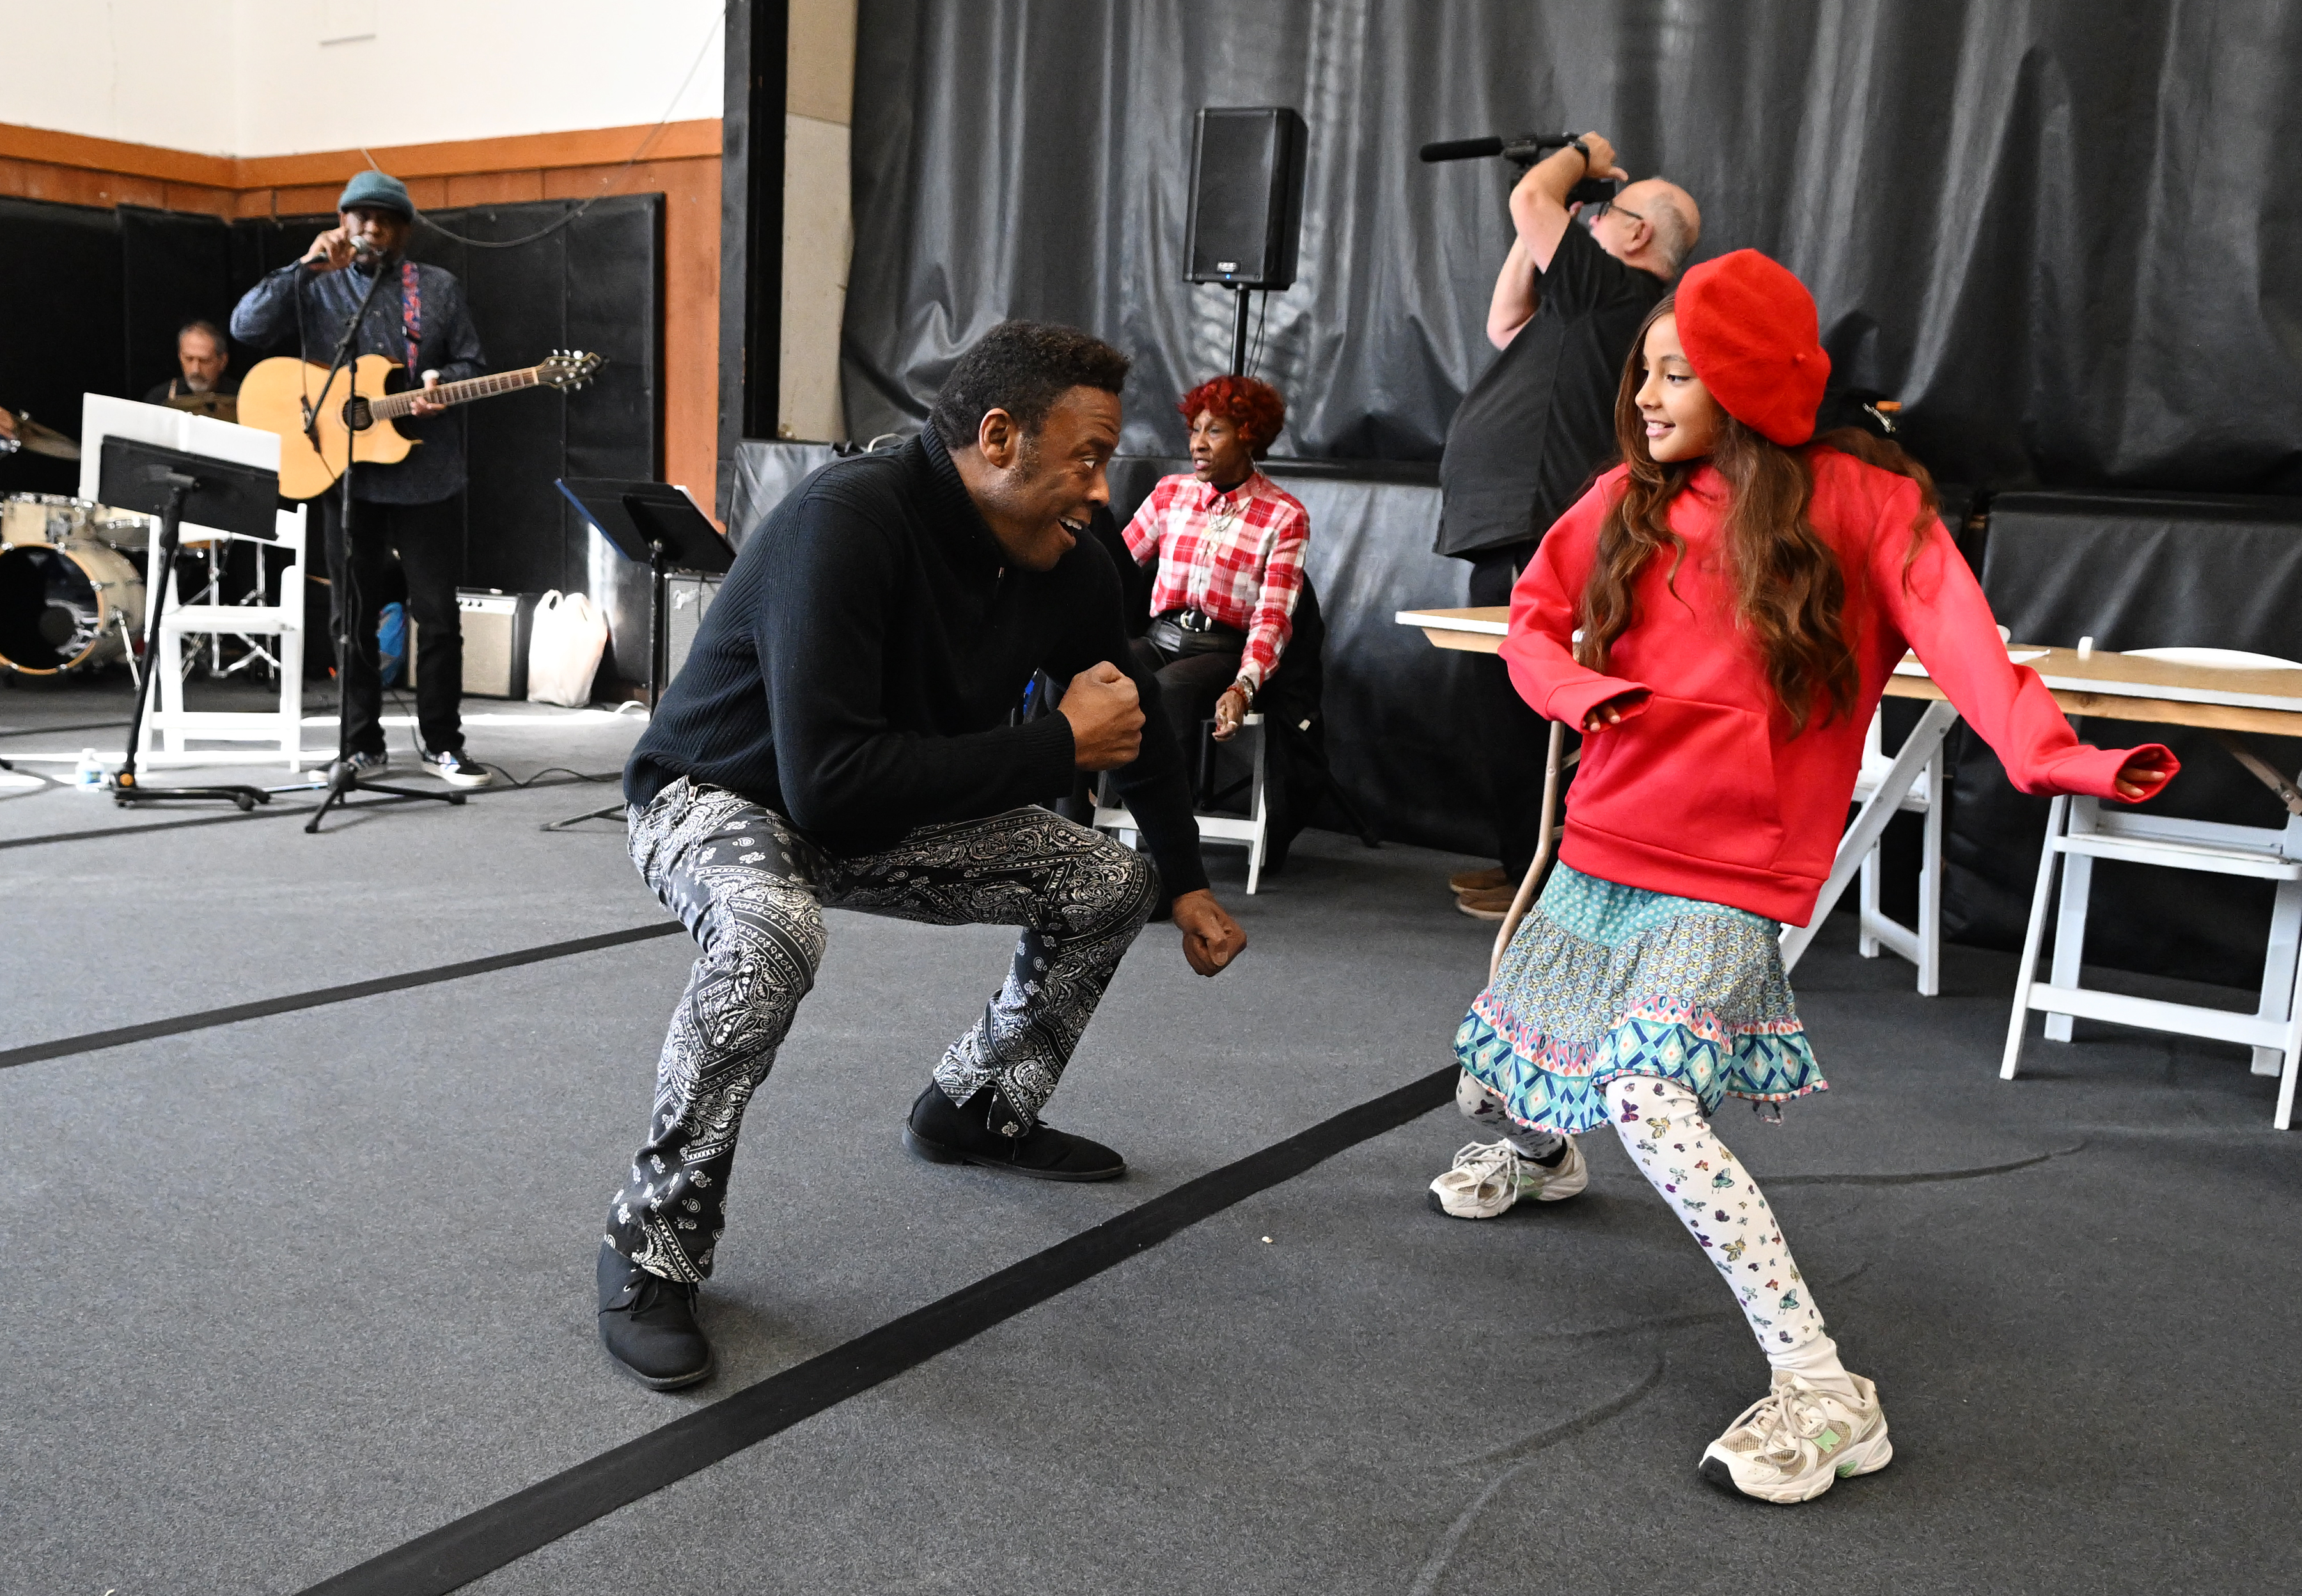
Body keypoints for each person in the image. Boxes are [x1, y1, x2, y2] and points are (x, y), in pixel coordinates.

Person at [1426, 250, 2178, 1502]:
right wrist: (1572, 686)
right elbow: (1531, 616)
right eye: (1644, 373)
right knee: (1521, 1049)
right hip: (1604, 843)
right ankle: (1551, 1153)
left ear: (1752, 383)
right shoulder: (1628, 493)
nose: (1649, 397)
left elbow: (1967, 648)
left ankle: (1825, 1388)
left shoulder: (1865, 505)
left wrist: (2059, 757)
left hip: (1731, 873)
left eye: (1680, 372)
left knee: (1657, 1104)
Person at [597, 320, 1249, 1390]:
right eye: (1086, 459)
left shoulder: (1073, 565)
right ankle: (650, 1240)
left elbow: (1129, 725)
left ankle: (977, 1107)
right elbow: (828, 785)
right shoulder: (845, 523)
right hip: (718, 798)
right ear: (999, 438)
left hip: (874, 811)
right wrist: (1054, 743)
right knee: (770, 931)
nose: (1099, 492)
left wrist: (1183, 882)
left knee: (1106, 880)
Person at [1436, 133, 1701, 919]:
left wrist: (1578, 157)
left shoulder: (1618, 290)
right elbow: (1504, 319)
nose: (1587, 223)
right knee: (1510, 710)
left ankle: (1539, 884)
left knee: (1523, 711)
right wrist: (1572, 205)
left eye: (1605, 214)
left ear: (1637, 233)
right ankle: (1528, 864)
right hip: (1511, 518)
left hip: (1533, 520)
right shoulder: (1589, 294)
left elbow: (1530, 202)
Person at [228, 169, 491, 786]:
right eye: (357, 216)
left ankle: (442, 742)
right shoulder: (315, 287)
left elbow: (472, 363)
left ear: (402, 229)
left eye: (382, 219)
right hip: (343, 475)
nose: (369, 228)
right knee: (352, 617)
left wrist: (439, 386)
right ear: (342, 222)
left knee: (438, 617)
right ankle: (360, 744)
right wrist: (303, 266)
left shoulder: (437, 288)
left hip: (427, 473)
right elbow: (244, 328)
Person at [1120, 375, 1309, 760]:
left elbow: (1272, 618)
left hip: (1222, 652)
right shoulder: (1171, 493)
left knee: (1170, 688)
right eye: (1195, 430)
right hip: (1161, 640)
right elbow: (1116, 566)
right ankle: (1065, 815)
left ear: (1248, 436)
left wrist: (1243, 687)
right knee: (1087, 674)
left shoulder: (1284, 516)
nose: (1198, 443)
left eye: (1215, 431)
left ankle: (1162, 817)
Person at [143, 320, 240, 409]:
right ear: (180, 357)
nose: (196, 370)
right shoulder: (158, 399)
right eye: (189, 359)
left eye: (204, 361)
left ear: (223, 361)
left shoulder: (241, 398)